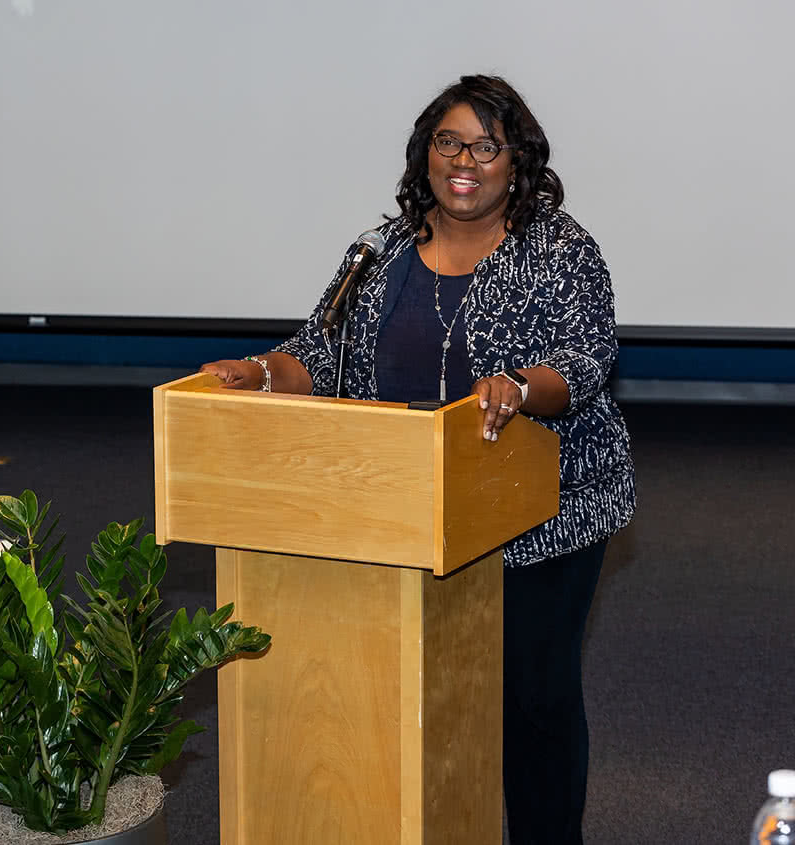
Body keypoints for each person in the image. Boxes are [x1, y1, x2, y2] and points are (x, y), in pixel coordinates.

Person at [201, 75, 635, 844]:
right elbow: (320, 348)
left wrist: (521, 387)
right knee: (417, 691)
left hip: (543, 510)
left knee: (532, 697)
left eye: (485, 145)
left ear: (517, 162)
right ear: (424, 153)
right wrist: (261, 373)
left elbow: (586, 355)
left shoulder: (560, 248)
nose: (464, 159)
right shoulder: (381, 248)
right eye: (448, 141)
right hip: (401, 504)